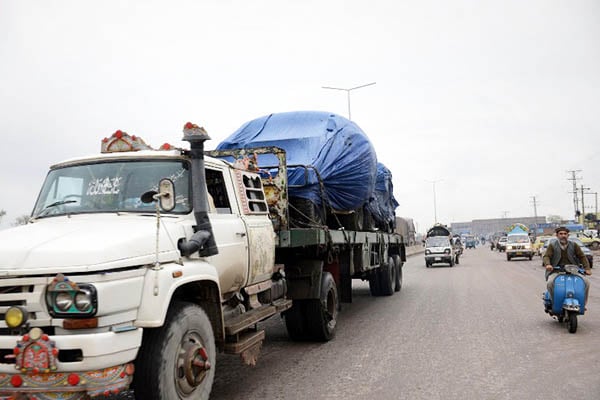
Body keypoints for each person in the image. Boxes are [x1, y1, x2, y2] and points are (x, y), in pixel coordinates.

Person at [543, 226, 592, 306]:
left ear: (568, 235)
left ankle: (583, 304)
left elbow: (582, 256)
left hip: (573, 270)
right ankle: (554, 302)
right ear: (557, 235)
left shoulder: (574, 245)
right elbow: (546, 256)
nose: (563, 235)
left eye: (565, 234)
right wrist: (548, 264)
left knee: (586, 282)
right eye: (561, 234)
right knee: (550, 283)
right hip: (556, 270)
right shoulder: (552, 245)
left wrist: (587, 268)